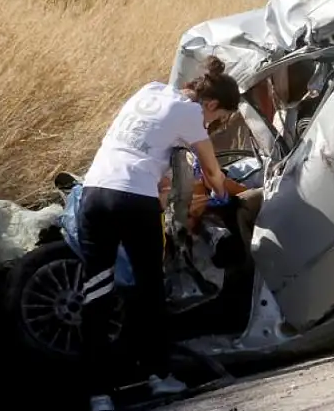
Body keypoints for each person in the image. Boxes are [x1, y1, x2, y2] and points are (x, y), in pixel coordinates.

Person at [79, 56, 240, 411]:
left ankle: (99, 395)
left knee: (96, 296)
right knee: (150, 289)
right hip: (134, 199)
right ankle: (159, 377)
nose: (214, 125)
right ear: (210, 104)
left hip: (93, 194)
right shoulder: (191, 115)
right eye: (219, 119)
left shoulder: (149, 91)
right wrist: (222, 196)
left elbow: (146, 146)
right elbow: (212, 172)